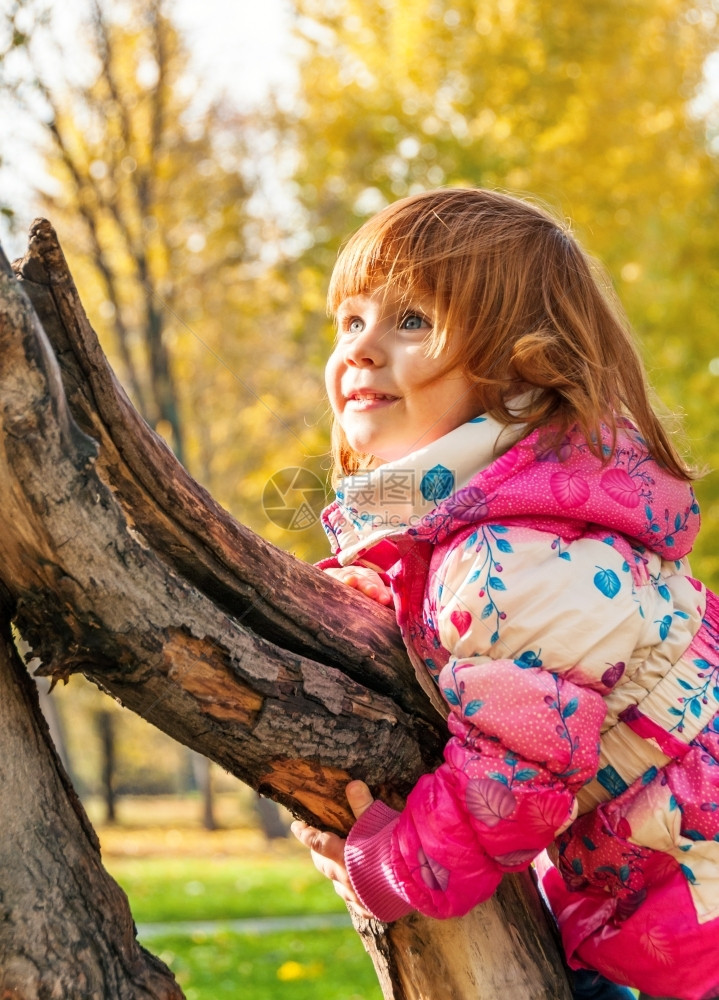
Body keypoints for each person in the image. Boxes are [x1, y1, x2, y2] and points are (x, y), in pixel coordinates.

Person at [290, 188, 719, 1000]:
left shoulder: (518, 556)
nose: (361, 349)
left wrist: (389, 866)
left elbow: (513, 781)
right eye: (350, 321)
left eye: (409, 321)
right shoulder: (506, 523)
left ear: (521, 370)